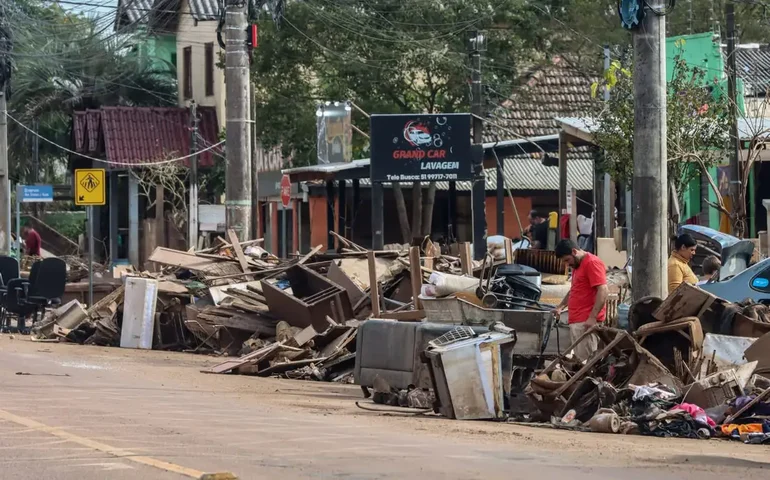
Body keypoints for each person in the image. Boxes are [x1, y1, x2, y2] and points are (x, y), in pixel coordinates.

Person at [551, 239, 609, 362]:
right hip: (578, 321)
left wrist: (593, 317)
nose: (567, 264)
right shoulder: (578, 266)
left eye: (567, 260)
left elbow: (603, 290)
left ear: (574, 251)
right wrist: (561, 306)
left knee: (588, 363)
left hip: (586, 322)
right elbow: (574, 289)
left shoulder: (592, 263)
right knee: (581, 361)